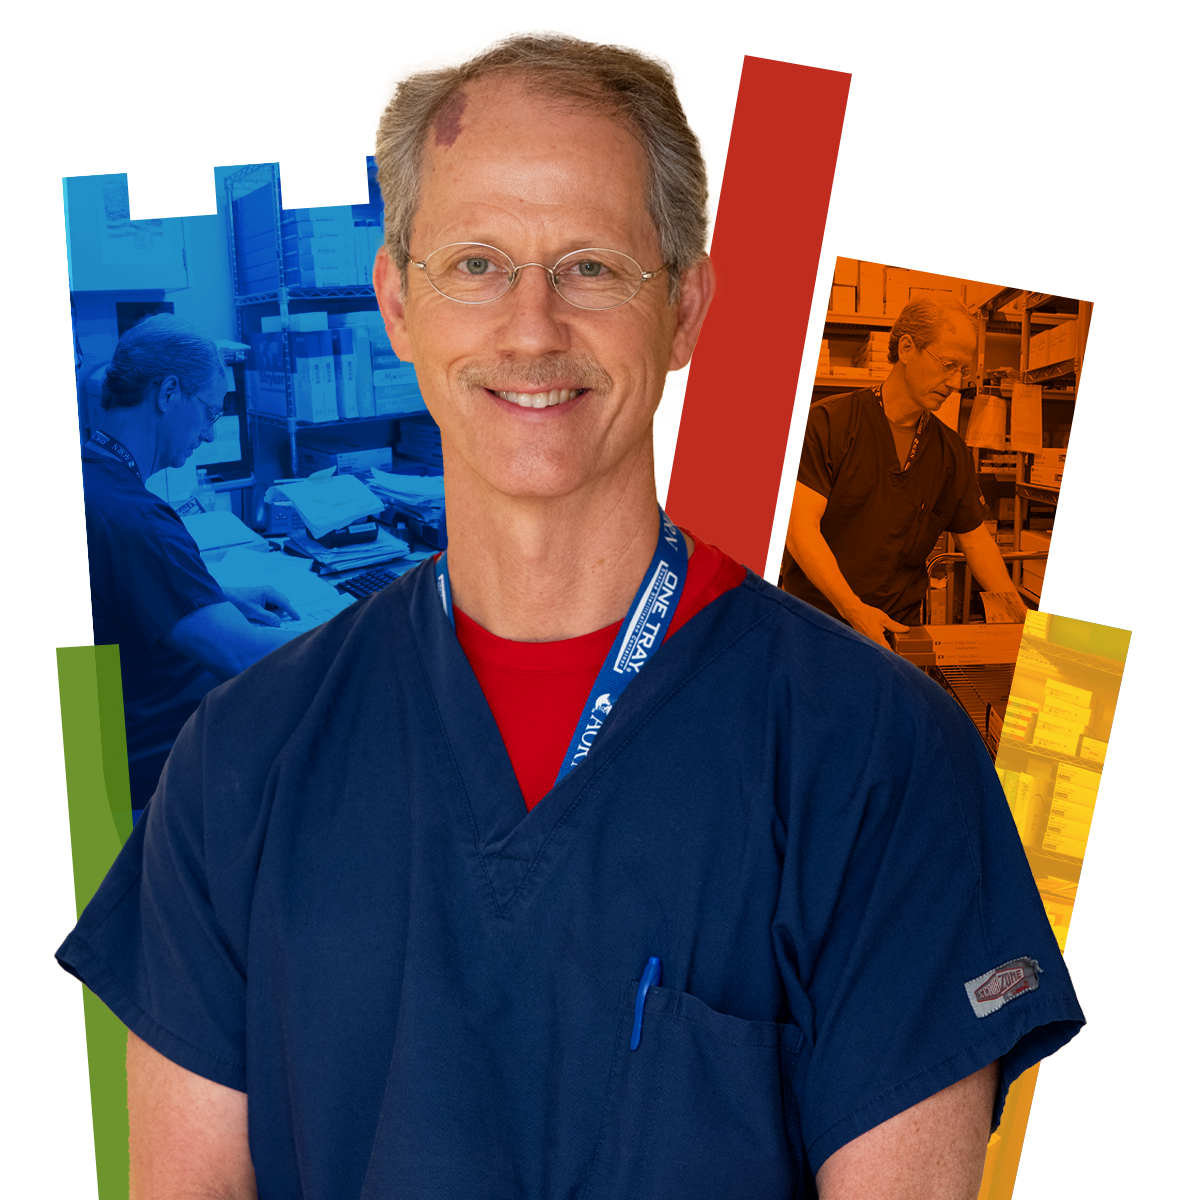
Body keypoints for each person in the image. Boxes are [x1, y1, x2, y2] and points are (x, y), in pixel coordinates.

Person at [58, 36, 1083, 1199]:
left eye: (592, 267)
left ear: (687, 307)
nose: (533, 326)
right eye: (476, 264)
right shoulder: (242, 763)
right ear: (398, 303)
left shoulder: (880, 760)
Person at [82, 314, 299, 812]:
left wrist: (213, 597)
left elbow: (124, 599)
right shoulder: (137, 519)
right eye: (209, 412)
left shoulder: (94, 480)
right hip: (157, 763)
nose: (207, 435)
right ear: (168, 393)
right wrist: (364, 632)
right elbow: (240, 655)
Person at [782, 297, 1022, 645]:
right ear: (907, 348)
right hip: (817, 624)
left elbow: (977, 542)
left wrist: (1020, 616)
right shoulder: (828, 424)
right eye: (948, 364)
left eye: (963, 370)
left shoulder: (950, 451)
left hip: (897, 633)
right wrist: (853, 610)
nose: (957, 382)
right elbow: (799, 530)